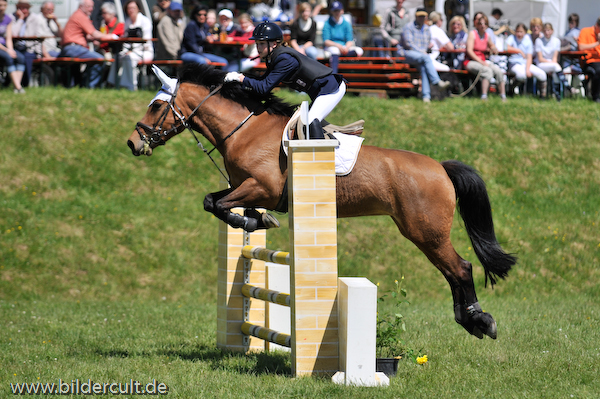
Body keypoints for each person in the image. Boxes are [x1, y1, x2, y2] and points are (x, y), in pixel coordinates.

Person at [223, 22, 345, 140]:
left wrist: (241, 78)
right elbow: (262, 81)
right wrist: (240, 78)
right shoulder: (274, 56)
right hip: (320, 90)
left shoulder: (284, 59)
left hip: (330, 88)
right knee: (302, 123)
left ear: (274, 44)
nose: (258, 48)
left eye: (261, 44)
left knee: (310, 122)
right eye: (257, 44)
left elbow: (263, 88)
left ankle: (321, 159)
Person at [58, 0, 115, 88]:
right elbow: (94, 33)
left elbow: (86, 36)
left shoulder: (76, 15)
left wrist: (93, 40)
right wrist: (111, 37)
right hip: (73, 48)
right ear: (81, 6)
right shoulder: (81, 16)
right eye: (89, 6)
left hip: (69, 48)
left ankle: (83, 84)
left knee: (90, 61)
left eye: (92, 7)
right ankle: (88, 86)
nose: (91, 9)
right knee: (100, 59)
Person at [399, 7, 450, 102]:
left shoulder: (427, 29)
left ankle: (426, 97)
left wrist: (428, 47)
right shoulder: (408, 27)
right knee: (426, 58)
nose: (421, 18)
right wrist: (423, 51)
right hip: (406, 54)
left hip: (421, 57)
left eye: (423, 16)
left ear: (426, 17)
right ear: (416, 16)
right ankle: (437, 82)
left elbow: (426, 45)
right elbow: (409, 44)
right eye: (419, 16)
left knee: (423, 67)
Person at [106, 0, 152, 90]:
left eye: (133, 8)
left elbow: (146, 41)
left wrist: (132, 50)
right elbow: (125, 39)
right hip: (130, 51)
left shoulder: (145, 21)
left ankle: (130, 86)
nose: (131, 10)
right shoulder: (127, 21)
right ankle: (112, 83)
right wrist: (127, 50)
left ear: (138, 9)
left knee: (128, 58)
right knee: (117, 57)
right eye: (129, 8)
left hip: (144, 51)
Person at [465, 12, 506, 101]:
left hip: (483, 61)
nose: (482, 26)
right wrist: (481, 62)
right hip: (470, 61)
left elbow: (492, 45)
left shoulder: (487, 35)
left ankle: (503, 96)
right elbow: (469, 51)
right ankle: (484, 96)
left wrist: (493, 48)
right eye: (480, 24)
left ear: (487, 25)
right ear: (477, 25)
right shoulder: (472, 34)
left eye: (484, 24)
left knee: (498, 71)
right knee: (487, 71)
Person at [506, 22, 547, 98]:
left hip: (525, 64)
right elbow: (506, 47)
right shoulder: (511, 38)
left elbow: (529, 57)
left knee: (542, 74)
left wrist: (528, 69)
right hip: (514, 63)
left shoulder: (528, 41)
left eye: (521, 32)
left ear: (525, 32)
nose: (519, 34)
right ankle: (510, 90)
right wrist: (518, 50)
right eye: (517, 31)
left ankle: (542, 97)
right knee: (521, 75)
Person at [322, 1, 363, 73]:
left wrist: (346, 48)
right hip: (332, 46)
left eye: (338, 10)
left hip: (344, 47)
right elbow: (326, 41)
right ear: (332, 12)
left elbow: (349, 39)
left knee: (359, 50)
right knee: (335, 50)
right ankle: (334, 74)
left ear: (342, 11)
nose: (337, 13)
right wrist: (338, 45)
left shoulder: (346, 23)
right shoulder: (327, 23)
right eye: (335, 11)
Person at [0, 0, 26, 93]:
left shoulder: (8, 19)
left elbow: (8, 38)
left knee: (21, 58)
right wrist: (7, 50)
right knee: (8, 57)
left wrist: (11, 49)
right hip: (1, 48)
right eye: (0, 5)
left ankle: (16, 87)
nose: (2, 8)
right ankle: (19, 87)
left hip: (4, 46)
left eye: (4, 5)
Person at [535, 22, 565, 99]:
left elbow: (555, 57)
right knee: (556, 67)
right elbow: (540, 59)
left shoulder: (556, 41)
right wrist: (551, 63)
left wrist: (552, 64)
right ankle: (567, 86)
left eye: (548, 30)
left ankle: (557, 97)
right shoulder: (538, 41)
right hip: (542, 64)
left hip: (553, 64)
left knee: (555, 73)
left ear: (552, 31)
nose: (547, 33)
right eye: (545, 31)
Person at [11, 0, 35, 86]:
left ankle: (25, 84)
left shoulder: (34, 18)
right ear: (17, 8)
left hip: (30, 47)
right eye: (23, 8)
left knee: (28, 56)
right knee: (18, 57)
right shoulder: (12, 17)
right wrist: (20, 19)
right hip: (14, 46)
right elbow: (13, 33)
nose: (25, 11)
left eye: (26, 8)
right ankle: (18, 84)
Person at [577, 17, 600, 102]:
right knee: (598, 70)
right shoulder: (585, 31)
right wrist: (598, 42)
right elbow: (581, 47)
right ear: (597, 25)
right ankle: (596, 97)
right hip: (590, 61)